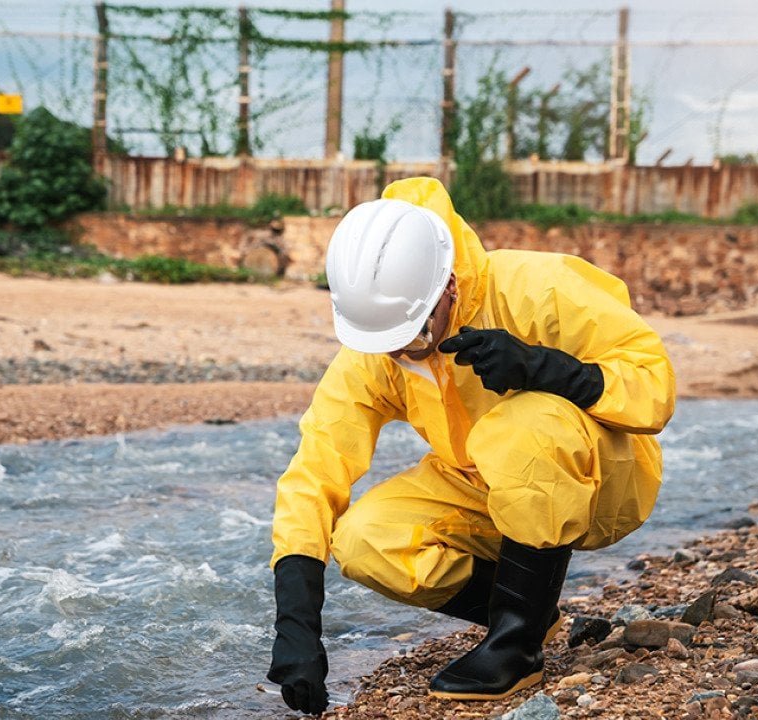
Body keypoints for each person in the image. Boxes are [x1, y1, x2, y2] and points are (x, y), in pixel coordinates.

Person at [266, 177, 675, 714]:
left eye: (410, 337)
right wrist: (297, 622)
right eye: (383, 344)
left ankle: (516, 647)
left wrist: (544, 368)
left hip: (602, 483)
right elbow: (315, 470)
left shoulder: (538, 287)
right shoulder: (384, 352)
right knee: (365, 540)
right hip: (483, 488)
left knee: (521, 427)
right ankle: (533, 614)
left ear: (449, 288)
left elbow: (655, 388)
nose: (398, 356)